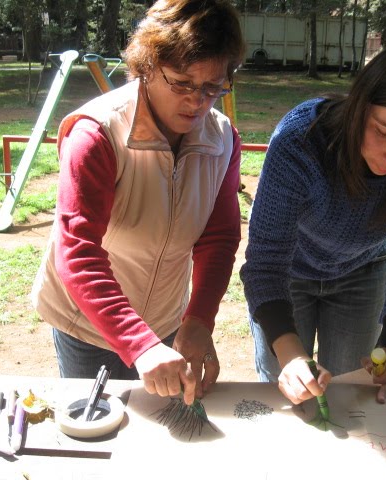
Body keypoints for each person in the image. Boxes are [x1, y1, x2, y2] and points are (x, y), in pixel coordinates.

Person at [31, 0, 245, 406]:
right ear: (147, 65)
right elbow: (77, 252)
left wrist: (198, 320)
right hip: (89, 321)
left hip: (165, 316)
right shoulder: (98, 134)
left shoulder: (222, 140)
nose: (198, 101)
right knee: (102, 430)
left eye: (212, 87)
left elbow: (217, 238)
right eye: (181, 82)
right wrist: (139, 344)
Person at [240, 36, 386, 407]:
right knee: (288, 389)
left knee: (349, 389)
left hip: (362, 273)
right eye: (383, 131)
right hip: (288, 275)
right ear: (360, 104)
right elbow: (265, 264)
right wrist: (291, 355)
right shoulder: (301, 140)